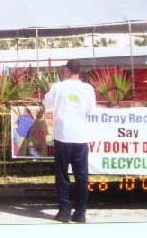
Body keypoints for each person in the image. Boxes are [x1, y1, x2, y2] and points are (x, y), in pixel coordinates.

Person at [43, 59, 96, 223]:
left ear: (66, 70)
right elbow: (90, 109)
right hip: (80, 137)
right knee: (81, 176)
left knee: (62, 175)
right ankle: (80, 213)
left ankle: (64, 212)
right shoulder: (88, 88)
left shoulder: (57, 87)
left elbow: (47, 103)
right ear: (79, 71)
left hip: (63, 136)